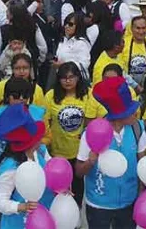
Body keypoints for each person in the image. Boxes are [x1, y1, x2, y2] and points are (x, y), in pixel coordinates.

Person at [75, 76, 146, 229]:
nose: (136, 112)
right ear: (119, 115)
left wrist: (141, 195)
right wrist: (90, 161)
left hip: (129, 202)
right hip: (98, 206)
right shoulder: (91, 134)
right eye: (131, 110)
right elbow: (79, 172)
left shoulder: (138, 129)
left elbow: (143, 164)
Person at [0, 104, 55, 229]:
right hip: (19, 223)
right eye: (39, 137)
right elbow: (1, 203)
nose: (41, 139)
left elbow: (52, 170)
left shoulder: (41, 151)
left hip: (43, 218)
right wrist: (21, 207)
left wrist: (61, 187)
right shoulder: (10, 167)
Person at [44, 62, 91, 205]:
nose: (68, 81)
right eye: (64, 78)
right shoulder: (51, 95)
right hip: (57, 152)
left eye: (71, 77)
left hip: (79, 153)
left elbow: (95, 118)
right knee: (57, 193)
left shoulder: (88, 94)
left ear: (78, 78)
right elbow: (45, 122)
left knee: (77, 192)